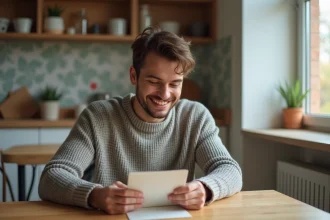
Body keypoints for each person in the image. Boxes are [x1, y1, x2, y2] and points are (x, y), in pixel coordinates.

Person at [38, 27, 242, 215]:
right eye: (154, 82)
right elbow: (52, 177)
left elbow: (230, 170)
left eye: (175, 84)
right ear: (134, 76)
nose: (165, 94)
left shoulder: (195, 117)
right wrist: (94, 195)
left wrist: (205, 189)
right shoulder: (98, 117)